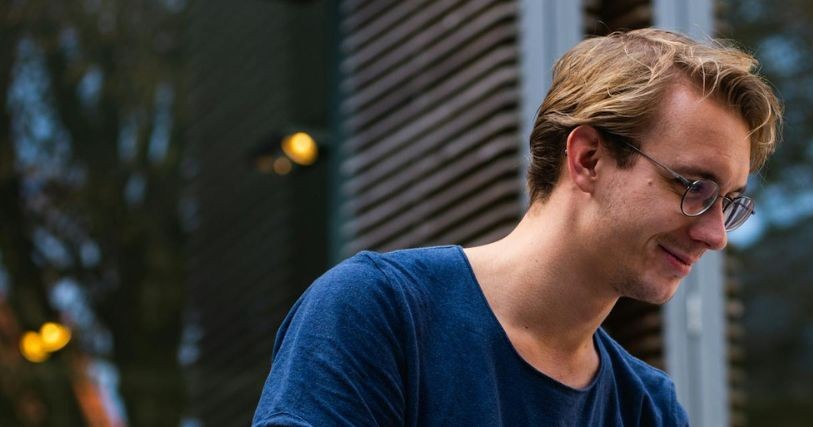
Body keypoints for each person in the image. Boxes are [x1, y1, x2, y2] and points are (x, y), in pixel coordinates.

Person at [252, 27, 781, 426]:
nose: (716, 235)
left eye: (729, 202)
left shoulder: (648, 408)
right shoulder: (380, 311)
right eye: (694, 186)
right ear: (589, 158)